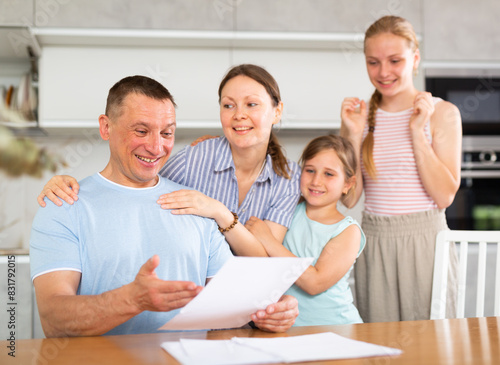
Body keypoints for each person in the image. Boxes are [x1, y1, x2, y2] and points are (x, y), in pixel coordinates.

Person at [30, 75, 299, 338]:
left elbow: (232, 304)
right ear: (106, 127)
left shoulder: (195, 204)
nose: (156, 147)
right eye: (141, 131)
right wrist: (131, 300)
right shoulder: (63, 204)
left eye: (167, 133)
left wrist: (270, 311)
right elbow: (53, 319)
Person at [37, 64, 301, 257]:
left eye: (252, 105)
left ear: (277, 111)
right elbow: (139, 181)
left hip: (251, 304)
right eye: (228, 105)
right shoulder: (196, 157)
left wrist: (216, 210)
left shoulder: (289, 177)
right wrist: (72, 185)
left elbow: (263, 259)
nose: (239, 115)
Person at [340, 16, 462, 322]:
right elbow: (349, 199)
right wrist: (352, 135)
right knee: (381, 346)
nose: (383, 72)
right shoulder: (360, 117)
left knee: (433, 347)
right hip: (374, 241)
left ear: (415, 59)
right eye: (373, 62)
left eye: (395, 60)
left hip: (426, 242)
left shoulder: (441, 113)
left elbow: (445, 196)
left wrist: (417, 132)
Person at [246, 134, 366, 326]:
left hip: (336, 328)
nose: (316, 181)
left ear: (347, 184)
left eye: (329, 174)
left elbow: (314, 283)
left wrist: (268, 240)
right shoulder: (286, 210)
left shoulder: (347, 230)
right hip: (286, 328)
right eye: (310, 170)